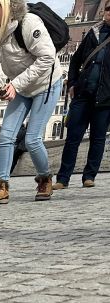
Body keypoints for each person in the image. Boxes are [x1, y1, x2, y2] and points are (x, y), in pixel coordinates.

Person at [0, 0, 64, 205]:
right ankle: (2, 186)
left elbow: (47, 57)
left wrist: (15, 84)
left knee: (32, 139)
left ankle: (45, 179)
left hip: (47, 83)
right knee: (6, 135)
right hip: (21, 88)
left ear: (5, 9)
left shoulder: (28, 22)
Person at [54, 2, 110, 189]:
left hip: (105, 96)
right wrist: (72, 83)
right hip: (83, 93)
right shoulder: (92, 34)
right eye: (108, 9)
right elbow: (75, 61)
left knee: (98, 138)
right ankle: (63, 178)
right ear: (104, 13)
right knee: (73, 137)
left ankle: (89, 176)